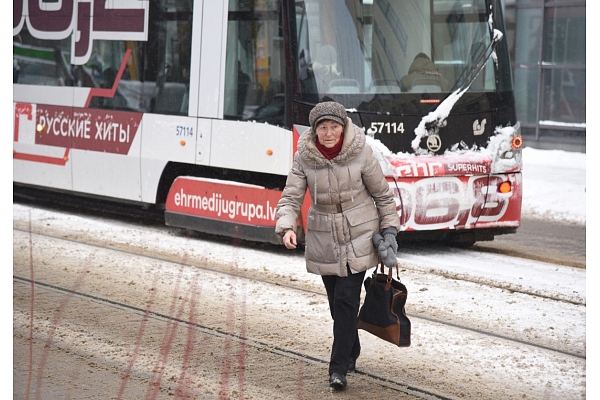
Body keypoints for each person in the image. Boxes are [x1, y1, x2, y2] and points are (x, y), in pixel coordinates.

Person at [274, 101, 401, 390]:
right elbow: (291, 196)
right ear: (314, 130)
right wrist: (286, 226)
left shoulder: (361, 152)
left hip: (359, 233)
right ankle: (351, 350)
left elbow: (382, 195)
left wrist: (390, 229)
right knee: (337, 306)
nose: (328, 133)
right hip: (323, 237)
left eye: (334, 126)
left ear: (343, 128)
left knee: (346, 301)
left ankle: (338, 368)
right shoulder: (304, 157)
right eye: (322, 127)